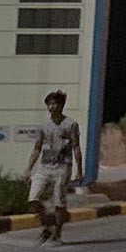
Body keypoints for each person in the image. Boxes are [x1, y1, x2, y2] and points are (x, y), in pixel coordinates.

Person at [26, 89, 83, 243]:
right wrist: (29, 168)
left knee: (59, 201)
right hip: (44, 166)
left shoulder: (70, 125)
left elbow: (76, 147)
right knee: (33, 199)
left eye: (54, 103)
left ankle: (57, 233)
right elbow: (37, 147)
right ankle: (47, 225)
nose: (51, 107)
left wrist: (79, 170)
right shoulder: (44, 126)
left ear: (61, 105)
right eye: (49, 104)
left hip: (62, 167)